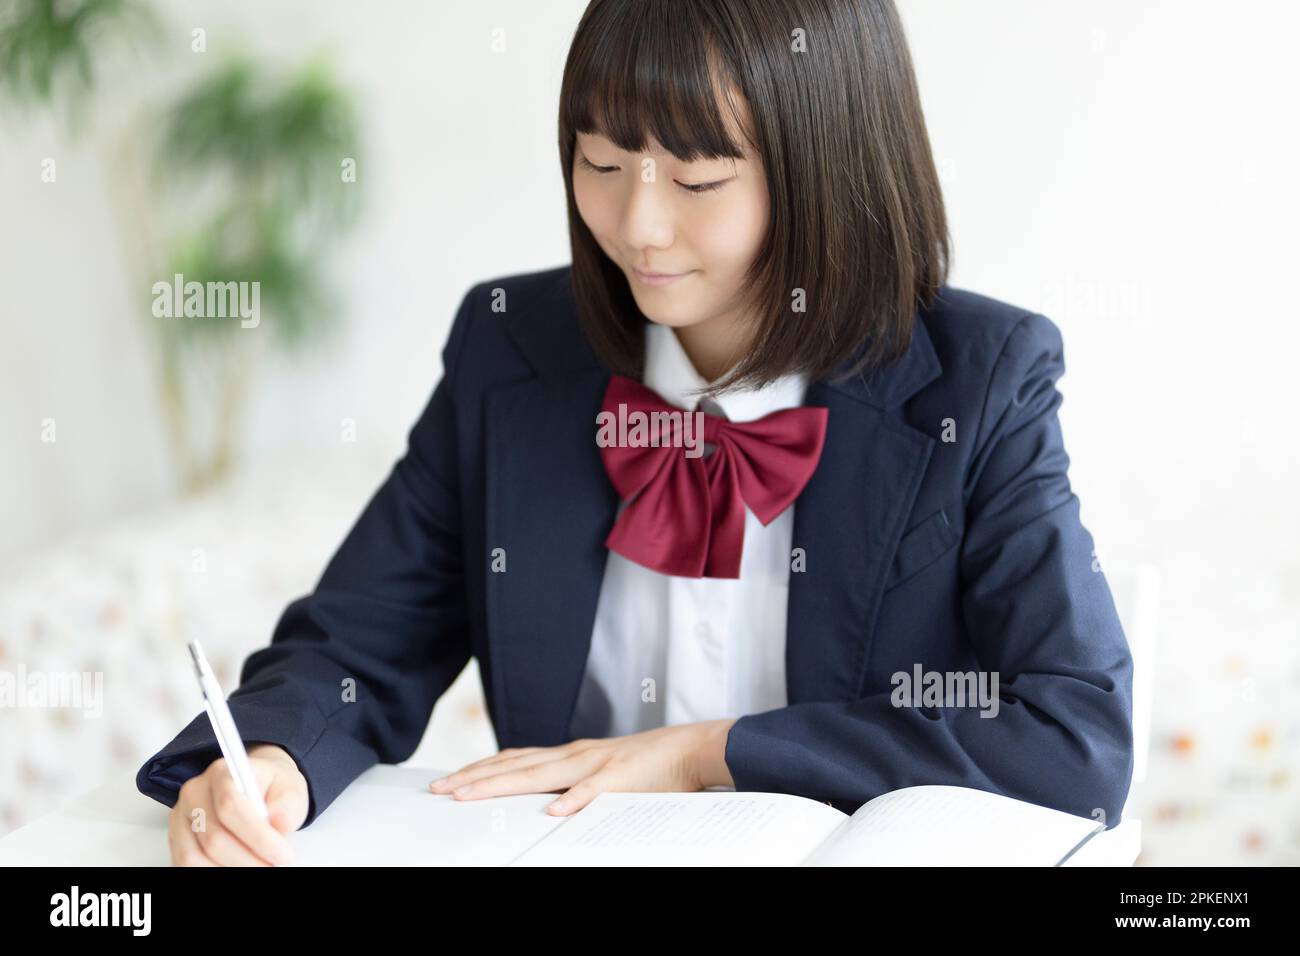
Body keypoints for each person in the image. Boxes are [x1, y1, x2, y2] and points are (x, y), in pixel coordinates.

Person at [139, 0, 1134, 866]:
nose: (637, 226)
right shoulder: (511, 353)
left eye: (697, 181)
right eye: (602, 161)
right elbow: (357, 641)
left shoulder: (980, 378)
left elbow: (1075, 738)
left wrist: (711, 749)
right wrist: (271, 758)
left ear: (828, 168)